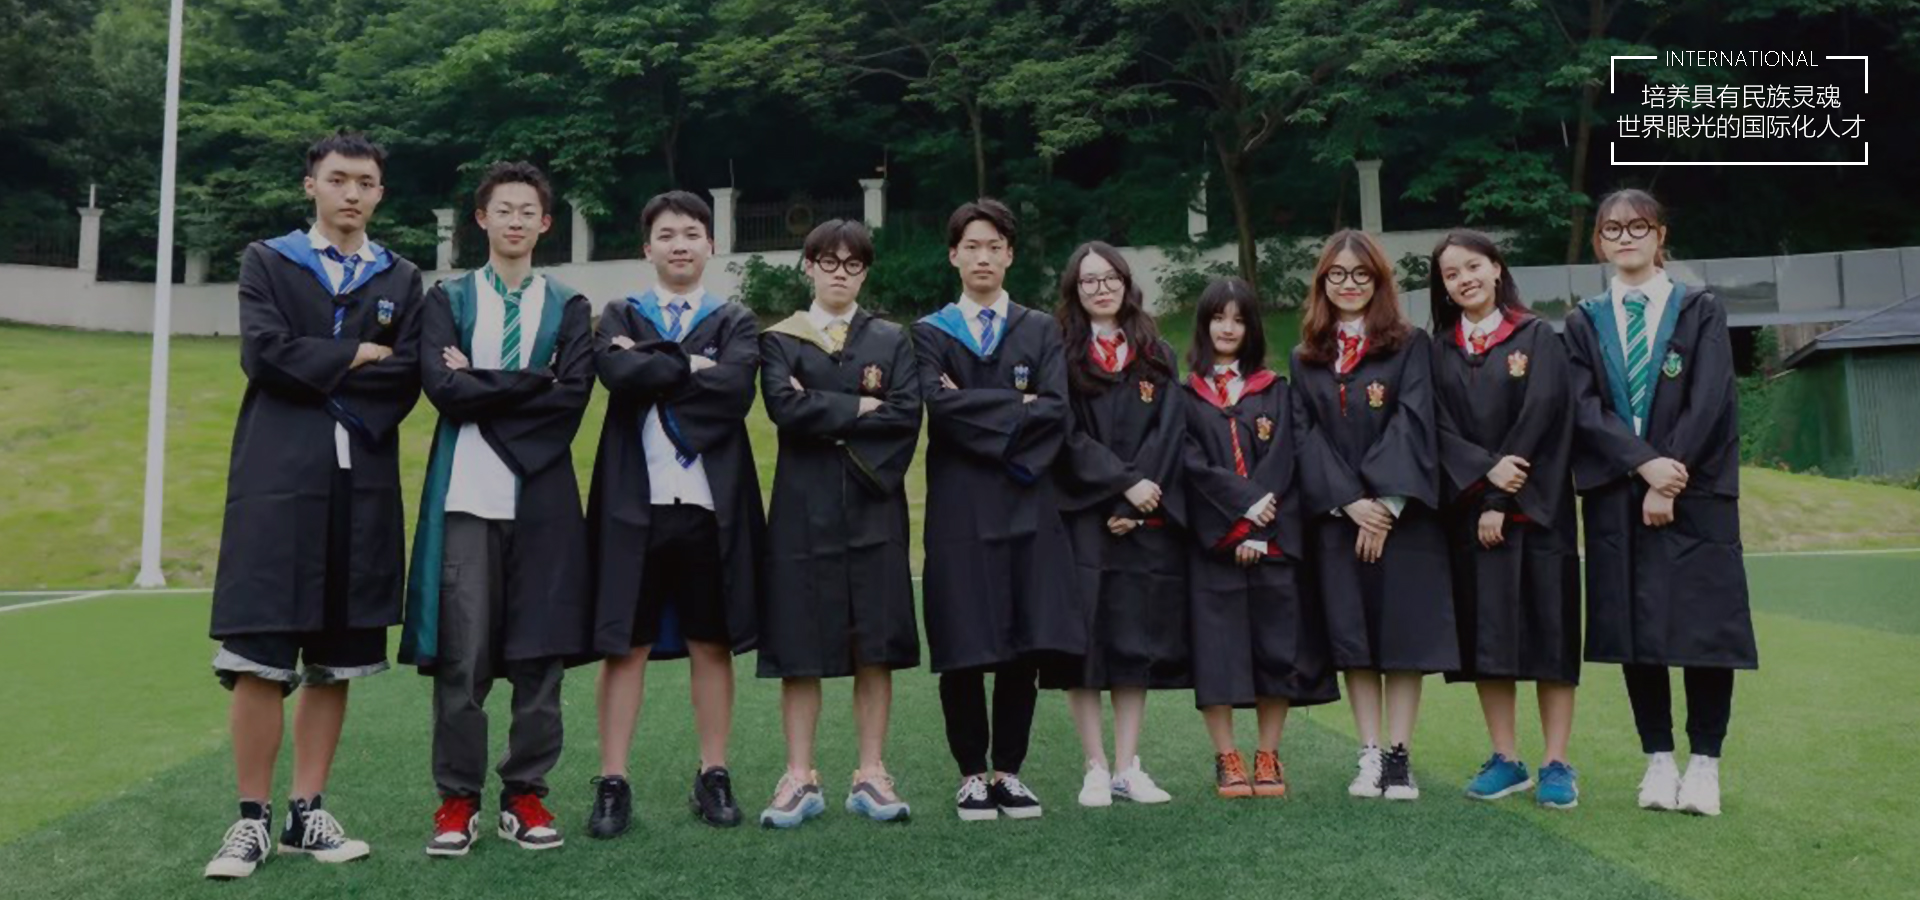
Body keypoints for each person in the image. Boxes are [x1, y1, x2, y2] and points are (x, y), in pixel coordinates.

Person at [204, 129, 423, 879]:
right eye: (338, 179)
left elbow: (407, 375)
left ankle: (307, 811)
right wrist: (355, 353)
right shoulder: (269, 260)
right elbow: (263, 354)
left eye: (365, 182)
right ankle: (250, 820)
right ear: (312, 186)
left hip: (360, 484)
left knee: (334, 661)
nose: (351, 193)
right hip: (276, 479)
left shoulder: (401, 277)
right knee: (260, 658)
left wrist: (320, 368)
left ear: (379, 193)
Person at [403, 161, 597, 855]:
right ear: (481, 219)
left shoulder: (568, 305)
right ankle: (457, 799)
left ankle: (526, 793)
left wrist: (481, 381)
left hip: (542, 496)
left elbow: (571, 397)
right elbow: (442, 390)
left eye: (528, 211)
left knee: (541, 654)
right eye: (503, 210)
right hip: (466, 496)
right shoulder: (449, 299)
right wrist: (529, 380)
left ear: (545, 224)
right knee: (463, 655)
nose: (515, 221)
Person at [1564, 188, 1757, 817]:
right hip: (1619, 491)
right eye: (1612, 229)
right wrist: (1642, 465)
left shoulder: (1699, 307)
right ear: (1599, 243)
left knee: (1706, 627)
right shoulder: (1585, 320)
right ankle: (1658, 760)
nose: (1625, 237)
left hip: (1696, 488)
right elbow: (1583, 408)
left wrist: (1668, 476)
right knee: (1635, 627)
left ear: (1660, 236)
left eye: (1637, 227)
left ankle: (1705, 765)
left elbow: (1711, 398)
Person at [584, 190, 765, 835]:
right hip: (634, 505)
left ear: (710, 244)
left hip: (710, 506)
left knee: (711, 642)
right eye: (666, 235)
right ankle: (612, 780)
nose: (680, 244)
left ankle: (713, 772)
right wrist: (692, 362)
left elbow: (734, 389)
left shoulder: (735, 319)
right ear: (647, 247)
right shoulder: (619, 312)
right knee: (625, 645)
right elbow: (616, 375)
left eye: (691, 233)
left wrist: (652, 359)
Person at [913, 198, 1081, 821]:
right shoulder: (930, 332)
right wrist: (1018, 406)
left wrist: (976, 404)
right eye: (971, 247)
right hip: (959, 507)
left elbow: (1056, 410)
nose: (982, 257)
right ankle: (970, 774)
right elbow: (938, 408)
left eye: (994, 246)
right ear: (953, 255)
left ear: (1009, 255)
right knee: (964, 638)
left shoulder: (1040, 329)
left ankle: (1009, 771)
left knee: (1022, 639)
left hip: (1025, 498)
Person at [755, 219, 924, 827]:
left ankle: (871, 773)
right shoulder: (780, 340)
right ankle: (799, 776)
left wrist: (823, 409)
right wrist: (860, 405)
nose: (840, 273)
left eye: (853, 264)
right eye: (828, 261)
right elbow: (785, 408)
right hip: (803, 510)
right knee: (800, 646)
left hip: (873, 503)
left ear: (865, 272)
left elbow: (906, 414)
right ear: (808, 265)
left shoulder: (891, 339)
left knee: (874, 642)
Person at [1289, 229, 1457, 802]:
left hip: (1402, 519)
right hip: (1340, 520)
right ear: (1322, 282)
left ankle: (1399, 757)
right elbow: (1304, 435)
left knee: (1402, 640)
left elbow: (1415, 419)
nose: (1349, 284)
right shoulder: (1307, 356)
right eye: (1337, 274)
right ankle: (1368, 752)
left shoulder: (1409, 344)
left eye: (1361, 274)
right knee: (1353, 638)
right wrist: (1351, 503)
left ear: (1379, 281)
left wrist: (1384, 505)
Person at [1426, 229, 1583, 809]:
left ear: (1496, 268)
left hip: (1537, 512)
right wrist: (1483, 482)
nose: (1464, 279)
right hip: (1470, 516)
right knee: (1489, 638)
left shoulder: (1536, 336)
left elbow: (1545, 416)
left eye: (1473, 266)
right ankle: (1506, 757)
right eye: (1451, 274)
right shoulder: (1438, 350)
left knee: (1551, 636)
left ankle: (1557, 762)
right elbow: (1436, 428)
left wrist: (1501, 498)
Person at [1180, 277, 1339, 800]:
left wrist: (1258, 526)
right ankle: (1226, 756)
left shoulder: (1276, 390)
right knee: (1217, 651)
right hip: (1214, 546)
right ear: (1204, 325)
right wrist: (1239, 518)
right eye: (1218, 318)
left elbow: (1286, 459)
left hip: (1273, 541)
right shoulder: (1185, 396)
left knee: (1277, 648)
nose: (1228, 328)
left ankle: (1268, 753)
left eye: (1239, 319)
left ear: (1252, 328)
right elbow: (1190, 465)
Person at [1046, 241, 1189, 808]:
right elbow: (1065, 435)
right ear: (1074, 291)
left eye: (1109, 278)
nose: (1100, 288)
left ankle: (1128, 765)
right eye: (1088, 281)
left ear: (1126, 284)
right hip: (1083, 513)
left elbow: (1169, 432)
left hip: (1142, 516)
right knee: (1083, 642)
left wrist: (1137, 501)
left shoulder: (1155, 352)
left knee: (1134, 638)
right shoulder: (1061, 353)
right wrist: (1121, 484)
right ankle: (1095, 766)